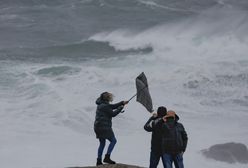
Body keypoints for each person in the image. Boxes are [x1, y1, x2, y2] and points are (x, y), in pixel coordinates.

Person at [94, 92, 128, 166]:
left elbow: (112, 106)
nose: (111, 98)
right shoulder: (105, 106)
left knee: (102, 143)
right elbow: (113, 114)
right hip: (104, 126)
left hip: (98, 127)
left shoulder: (101, 104)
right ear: (107, 98)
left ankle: (98, 161)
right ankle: (107, 157)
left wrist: (122, 102)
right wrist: (120, 108)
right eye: (110, 97)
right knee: (113, 140)